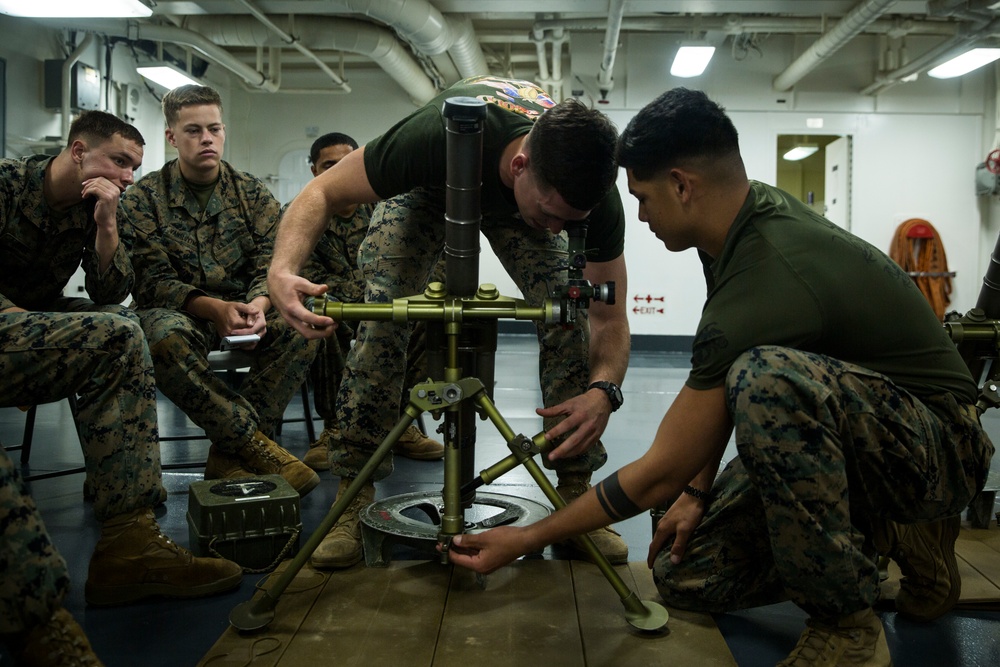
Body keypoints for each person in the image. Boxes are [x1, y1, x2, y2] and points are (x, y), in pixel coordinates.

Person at [445, 88, 994, 667]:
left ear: (682, 185)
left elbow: (660, 470)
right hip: (864, 429)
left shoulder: (768, 271)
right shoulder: (736, 228)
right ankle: (890, 533)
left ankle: (847, 629)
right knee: (684, 574)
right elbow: (706, 412)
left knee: (767, 381)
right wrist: (698, 491)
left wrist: (528, 538)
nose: (641, 216)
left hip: (939, 445)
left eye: (644, 197)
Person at [268, 76, 631, 569]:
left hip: (516, 202)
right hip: (429, 189)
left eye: (571, 221)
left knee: (568, 313)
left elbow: (608, 317)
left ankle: (573, 494)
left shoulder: (587, 190)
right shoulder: (427, 138)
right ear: (521, 165)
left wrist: (604, 391)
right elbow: (322, 191)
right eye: (552, 215)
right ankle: (351, 495)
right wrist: (281, 270)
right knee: (384, 315)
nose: (558, 231)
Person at [0, 110, 243, 664]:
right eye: (120, 162)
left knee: (123, 326)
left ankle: (129, 533)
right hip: (10, 320)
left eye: (135, 166)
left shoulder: (94, 205)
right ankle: (129, 540)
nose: (129, 176)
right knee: (112, 335)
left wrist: (107, 223)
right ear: (79, 150)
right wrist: (16, 322)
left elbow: (112, 290)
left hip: (32, 320)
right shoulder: (8, 185)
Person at [120, 85, 320, 496]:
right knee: (159, 338)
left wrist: (260, 303)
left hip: (249, 304)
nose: (206, 138)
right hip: (182, 310)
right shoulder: (143, 199)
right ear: (172, 137)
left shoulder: (251, 193)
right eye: (193, 130)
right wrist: (212, 308)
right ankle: (253, 444)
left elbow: (274, 261)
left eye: (214, 128)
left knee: (303, 318)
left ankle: (230, 455)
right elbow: (152, 279)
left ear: (224, 130)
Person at [293, 131, 444, 471]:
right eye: (327, 165)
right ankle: (336, 428)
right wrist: (377, 290)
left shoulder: (387, 210)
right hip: (339, 309)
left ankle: (399, 423)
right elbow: (311, 281)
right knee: (321, 318)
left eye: (344, 163)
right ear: (315, 171)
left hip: (387, 308)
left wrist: (385, 293)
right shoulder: (305, 214)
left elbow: (431, 263)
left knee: (424, 317)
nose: (336, 169)